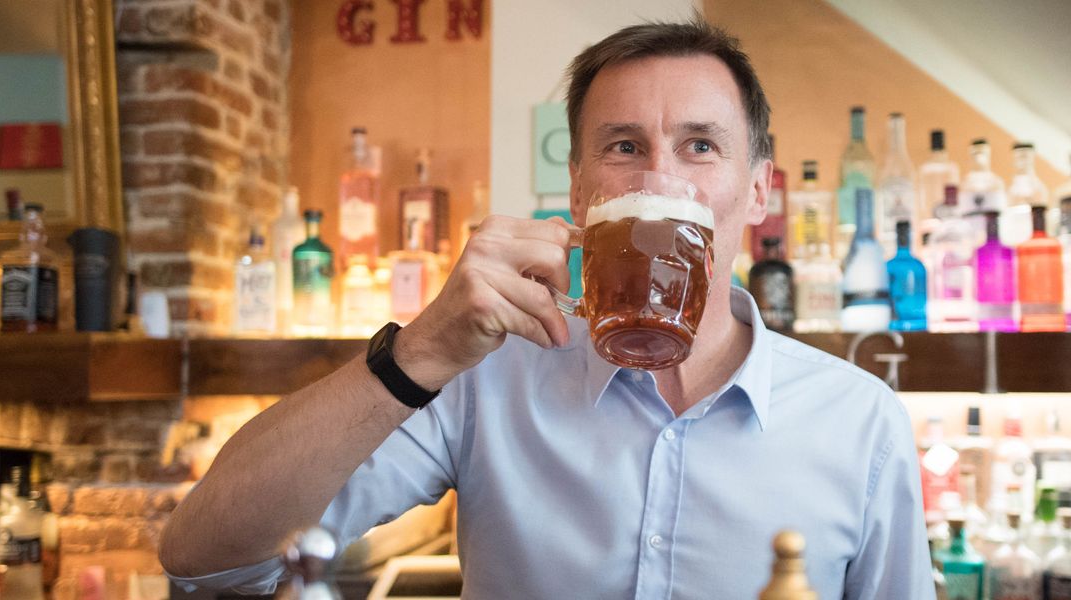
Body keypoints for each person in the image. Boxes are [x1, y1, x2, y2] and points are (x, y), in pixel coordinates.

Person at [159, 19, 933, 599]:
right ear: (580, 193)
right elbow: (207, 558)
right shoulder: (486, 376)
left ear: (759, 191)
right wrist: (419, 350)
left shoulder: (859, 421)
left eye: (700, 146)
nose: (657, 181)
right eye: (624, 147)